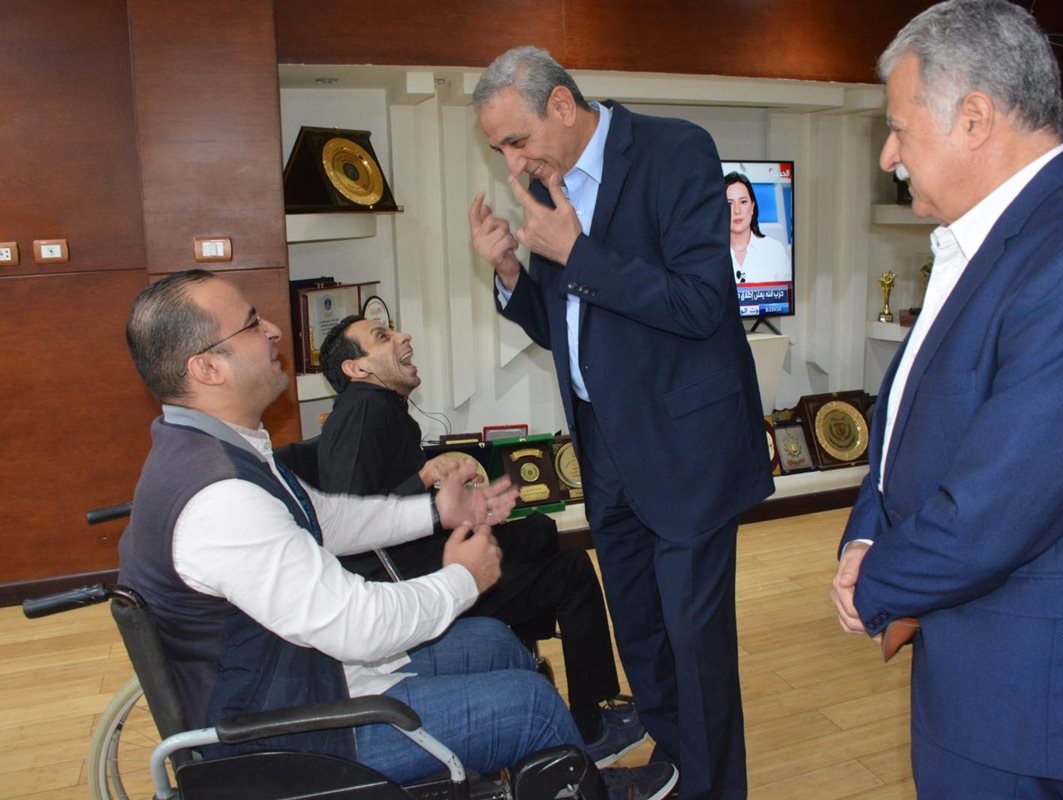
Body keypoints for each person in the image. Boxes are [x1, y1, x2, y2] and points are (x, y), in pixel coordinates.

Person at [117, 269, 678, 798]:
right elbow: (357, 626)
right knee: (530, 703)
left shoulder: (217, 450)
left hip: (302, 680)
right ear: (207, 368)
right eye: (250, 323)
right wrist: (463, 579)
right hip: (290, 737)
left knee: (495, 642)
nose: (273, 330)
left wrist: (436, 512)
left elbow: (326, 517)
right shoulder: (222, 498)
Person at [830, 2, 1063, 798]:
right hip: (978, 652)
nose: (890, 155)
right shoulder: (995, 240)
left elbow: (996, 508)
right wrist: (864, 534)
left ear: (974, 118)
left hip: (1029, 690)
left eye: (899, 129)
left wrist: (873, 581)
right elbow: (907, 418)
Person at [468, 46, 774, 800]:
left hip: (687, 447)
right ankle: (676, 759)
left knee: (695, 641)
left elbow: (700, 304)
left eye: (516, 140)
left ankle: (713, 787)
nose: (512, 162)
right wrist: (510, 273)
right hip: (604, 445)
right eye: (499, 149)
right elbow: (566, 329)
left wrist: (577, 251)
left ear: (561, 105)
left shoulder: (676, 152)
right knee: (639, 626)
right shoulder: (546, 186)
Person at [310, 312, 647, 766]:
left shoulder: (380, 407)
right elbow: (350, 514)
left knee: (540, 530)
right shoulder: (364, 410)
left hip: (419, 558)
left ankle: (519, 659)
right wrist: (425, 479)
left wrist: (442, 492)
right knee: (572, 572)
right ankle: (592, 727)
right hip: (409, 583)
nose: (404, 337)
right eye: (382, 336)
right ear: (357, 368)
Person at [725, 172, 790, 283]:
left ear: (752, 207)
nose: (737, 210)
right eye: (730, 203)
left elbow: (788, 291)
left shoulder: (774, 249)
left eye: (743, 202)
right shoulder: (710, 254)